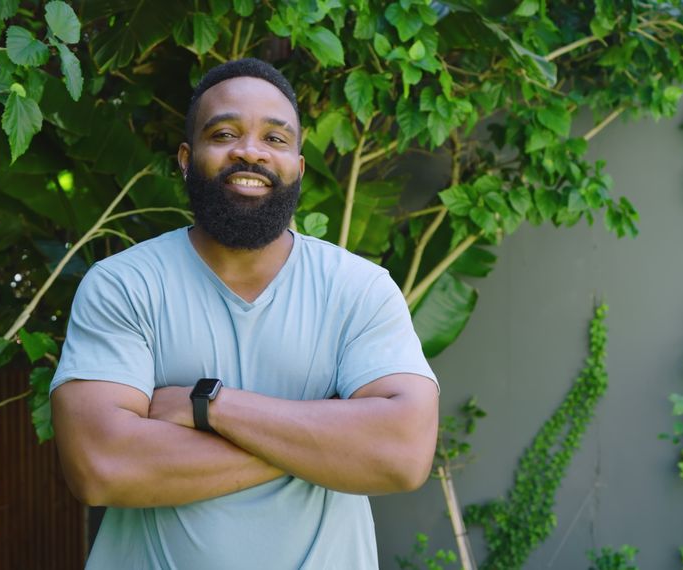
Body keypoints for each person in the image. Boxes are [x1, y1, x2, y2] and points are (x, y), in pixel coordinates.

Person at [50, 58, 440, 569]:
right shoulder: (124, 285)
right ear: (187, 159)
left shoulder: (358, 289)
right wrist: (327, 445)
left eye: (275, 139)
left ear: (298, 167)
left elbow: (403, 456)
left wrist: (207, 408)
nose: (250, 151)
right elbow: (99, 467)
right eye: (225, 132)